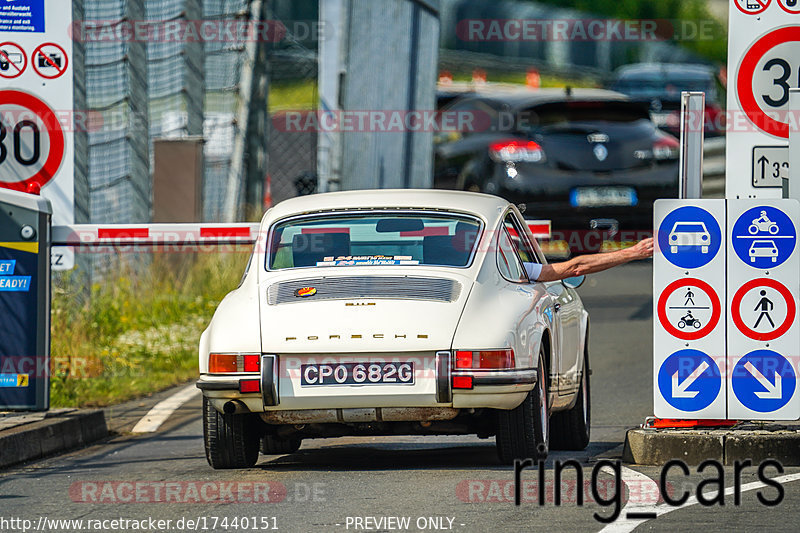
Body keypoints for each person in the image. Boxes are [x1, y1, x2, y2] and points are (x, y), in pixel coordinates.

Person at [524, 238, 654, 282]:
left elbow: (576, 267)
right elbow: (576, 267)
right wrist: (633, 252)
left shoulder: (514, 268)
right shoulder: (515, 269)